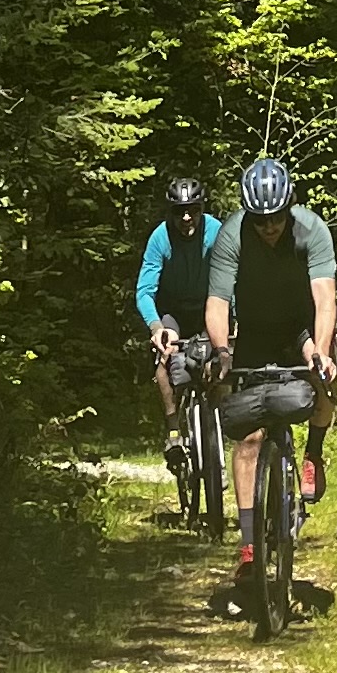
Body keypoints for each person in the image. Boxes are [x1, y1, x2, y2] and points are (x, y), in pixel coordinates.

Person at [204, 156, 337, 584]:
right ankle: (248, 546)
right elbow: (218, 302)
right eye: (259, 220)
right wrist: (223, 352)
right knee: (249, 437)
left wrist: (319, 349)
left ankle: (312, 452)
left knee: (322, 375)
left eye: (275, 217)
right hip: (255, 332)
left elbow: (324, 298)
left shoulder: (312, 230)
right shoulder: (232, 234)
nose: (268, 227)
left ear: (289, 206)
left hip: (299, 329)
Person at [135, 176, 222, 473]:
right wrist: (156, 327)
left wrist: (233, 318)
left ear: (201, 209)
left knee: (223, 354)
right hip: (173, 312)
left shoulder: (216, 232)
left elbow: (231, 279)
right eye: (179, 211)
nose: (186, 217)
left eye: (193, 210)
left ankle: (215, 436)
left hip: (208, 307)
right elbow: (145, 291)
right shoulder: (160, 238)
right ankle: (173, 428)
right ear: (170, 213)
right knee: (165, 349)